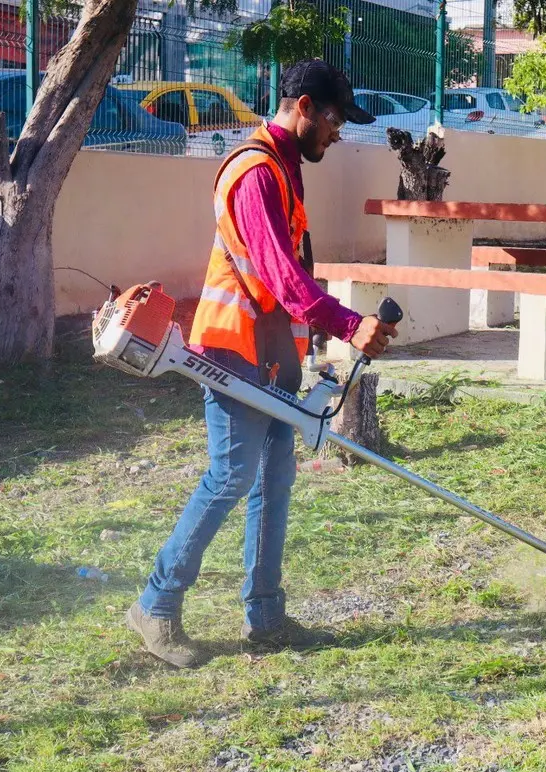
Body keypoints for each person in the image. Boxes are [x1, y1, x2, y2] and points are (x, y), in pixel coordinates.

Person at [126, 59, 398, 668]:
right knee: (230, 477)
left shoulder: (285, 167)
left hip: (273, 349)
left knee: (274, 479)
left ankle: (266, 618)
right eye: (333, 120)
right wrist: (352, 326)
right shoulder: (255, 172)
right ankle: (156, 605)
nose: (338, 132)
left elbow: (287, 280)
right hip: (233, 347)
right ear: (303, 106)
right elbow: (279, 273)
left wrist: (316, 336)